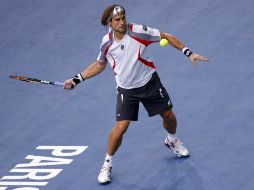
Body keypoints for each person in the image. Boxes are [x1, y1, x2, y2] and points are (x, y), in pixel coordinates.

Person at [63, 4, 209, 185]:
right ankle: (107, 163)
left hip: (150, 83)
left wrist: (189, 53)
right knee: (121, 128)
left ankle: (172, 140)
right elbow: (100, 64)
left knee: (169, 116)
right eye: (117, 20)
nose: (122, 22)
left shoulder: (139, 32)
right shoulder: (106, 43)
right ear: (110, 23)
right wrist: (76, 79)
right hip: (127, 90)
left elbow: (167, 37)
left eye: (123, 18)